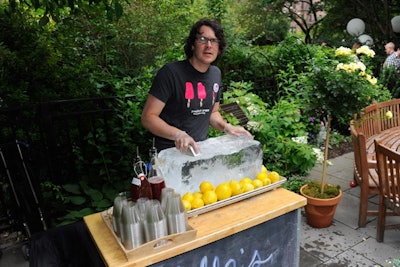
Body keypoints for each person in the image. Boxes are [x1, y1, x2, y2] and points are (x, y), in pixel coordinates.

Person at [141, 18, 252, 155]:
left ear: (219, 47)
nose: (209, 45)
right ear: (193, 44)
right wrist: (178, 135)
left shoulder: (215, 74)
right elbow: (148, 117)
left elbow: (212, 112)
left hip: (198, 153)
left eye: (214, 40)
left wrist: (227, 127)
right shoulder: (170, 73)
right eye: (203, 39)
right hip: (169, 156)